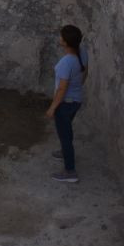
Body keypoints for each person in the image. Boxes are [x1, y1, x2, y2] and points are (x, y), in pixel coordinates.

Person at [45, 24, 87, 183]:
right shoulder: (82, 52)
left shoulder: (66, 62)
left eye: (61, 37)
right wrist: (77, 87)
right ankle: (65, 152)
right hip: (76, 100)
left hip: (66, 103)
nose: (59, 38)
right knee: (67, 131)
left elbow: (62, 89)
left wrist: (52, 107)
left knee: (65, 137)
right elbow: (86, 71)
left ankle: (70, 172)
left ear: (65, 42)